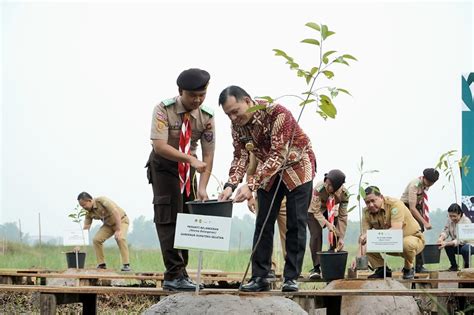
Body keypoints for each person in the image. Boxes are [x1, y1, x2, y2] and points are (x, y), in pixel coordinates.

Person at [218, 85, 316, 292]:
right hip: (268, 172)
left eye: (235, 111)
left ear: (247, 100)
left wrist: (251, 184)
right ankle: (260, 277)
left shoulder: (278, 113)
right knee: (263, 223)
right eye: (228, 115)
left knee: (295, 222)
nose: (233, 118)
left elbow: (278, 154)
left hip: (297, 167)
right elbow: (241, 155)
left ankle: (291, 278)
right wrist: (230, 184)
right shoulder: (237, 126)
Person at [145, 68, 215, 291]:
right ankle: (172, 274)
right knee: (168, 217)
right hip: (164, 166)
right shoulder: (163, 109)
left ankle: (182, 273)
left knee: (187, 218)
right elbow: (160, 146)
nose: (197, 100)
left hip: (189, 170)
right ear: (180, 91)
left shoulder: (207, 116)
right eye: (192, 95)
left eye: (201, 95)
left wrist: (202, 186)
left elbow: (208, 154)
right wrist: (189, 159)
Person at [357, 186, 425, 279]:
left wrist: (370, 236)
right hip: (388, 243)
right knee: (367, 242)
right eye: (367, 202)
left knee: (407, 244)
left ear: (381, 197)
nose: (371, 205)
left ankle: (408, 268)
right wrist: (358, 257)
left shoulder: (395, 204)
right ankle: (382, 269)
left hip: (411, 239)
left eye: (373, 200)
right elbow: (364, 236)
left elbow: (396, 231)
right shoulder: (366, 212)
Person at [246, 152, 287, 278]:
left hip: (285, 196)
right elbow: (251, 169)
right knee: (264, 231)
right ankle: (268, 268)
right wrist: (250, 197)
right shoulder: (257, 147)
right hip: (263, 194)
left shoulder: (285, 143)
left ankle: (290, 268)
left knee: (288, 231)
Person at [307, 169, 349, 280]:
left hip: (331, 210)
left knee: (336, 233)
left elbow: (342, 216)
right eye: (326, 182)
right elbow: (315, 211)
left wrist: (341, 236)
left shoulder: (344, 194)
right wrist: (327, 224)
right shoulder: (319, 188)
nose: (327, 186)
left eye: (330, 185)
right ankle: (316, 267)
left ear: (337, 186)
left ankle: (332, 264)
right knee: (316, 235)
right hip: (315, 210)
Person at [77, 192, 131, 271]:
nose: (83, 208)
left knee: (120, 238)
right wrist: (79, 244)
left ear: (89, 200)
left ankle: (126, 265)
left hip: (121, 220)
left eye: (84, 205)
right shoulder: (88, 212)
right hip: (108, 225)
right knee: (96, 240)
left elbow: (116, 213)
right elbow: (86, 228)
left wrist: (118, 230)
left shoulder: (102, 201)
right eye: (81, 206)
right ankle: (101, 264)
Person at [400, 168, 440, 273]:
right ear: (424, 178)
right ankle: (411, 266)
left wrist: (424, 216)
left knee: (420, 235)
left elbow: (420, 203)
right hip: (406, 208)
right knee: (414, 235)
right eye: (429, 182)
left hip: (416, 208)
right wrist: (424, 222)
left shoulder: (425, 185)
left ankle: (418, 265)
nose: (430, 184)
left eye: (433, 183)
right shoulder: (415, 185)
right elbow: (412, 208)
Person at [437, 203, 474, 271]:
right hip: (457, 245)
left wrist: (446, 243)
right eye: (450, 216)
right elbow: (446, 231)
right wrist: (441, 238)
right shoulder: (450, 220)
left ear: (460, 214)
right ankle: (454, 266)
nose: (452, 218)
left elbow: (461, 240)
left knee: (465, 249)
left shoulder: (466, 221)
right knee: (447, 246)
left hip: (469, 245)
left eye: (454, 216)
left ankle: (467, 267)